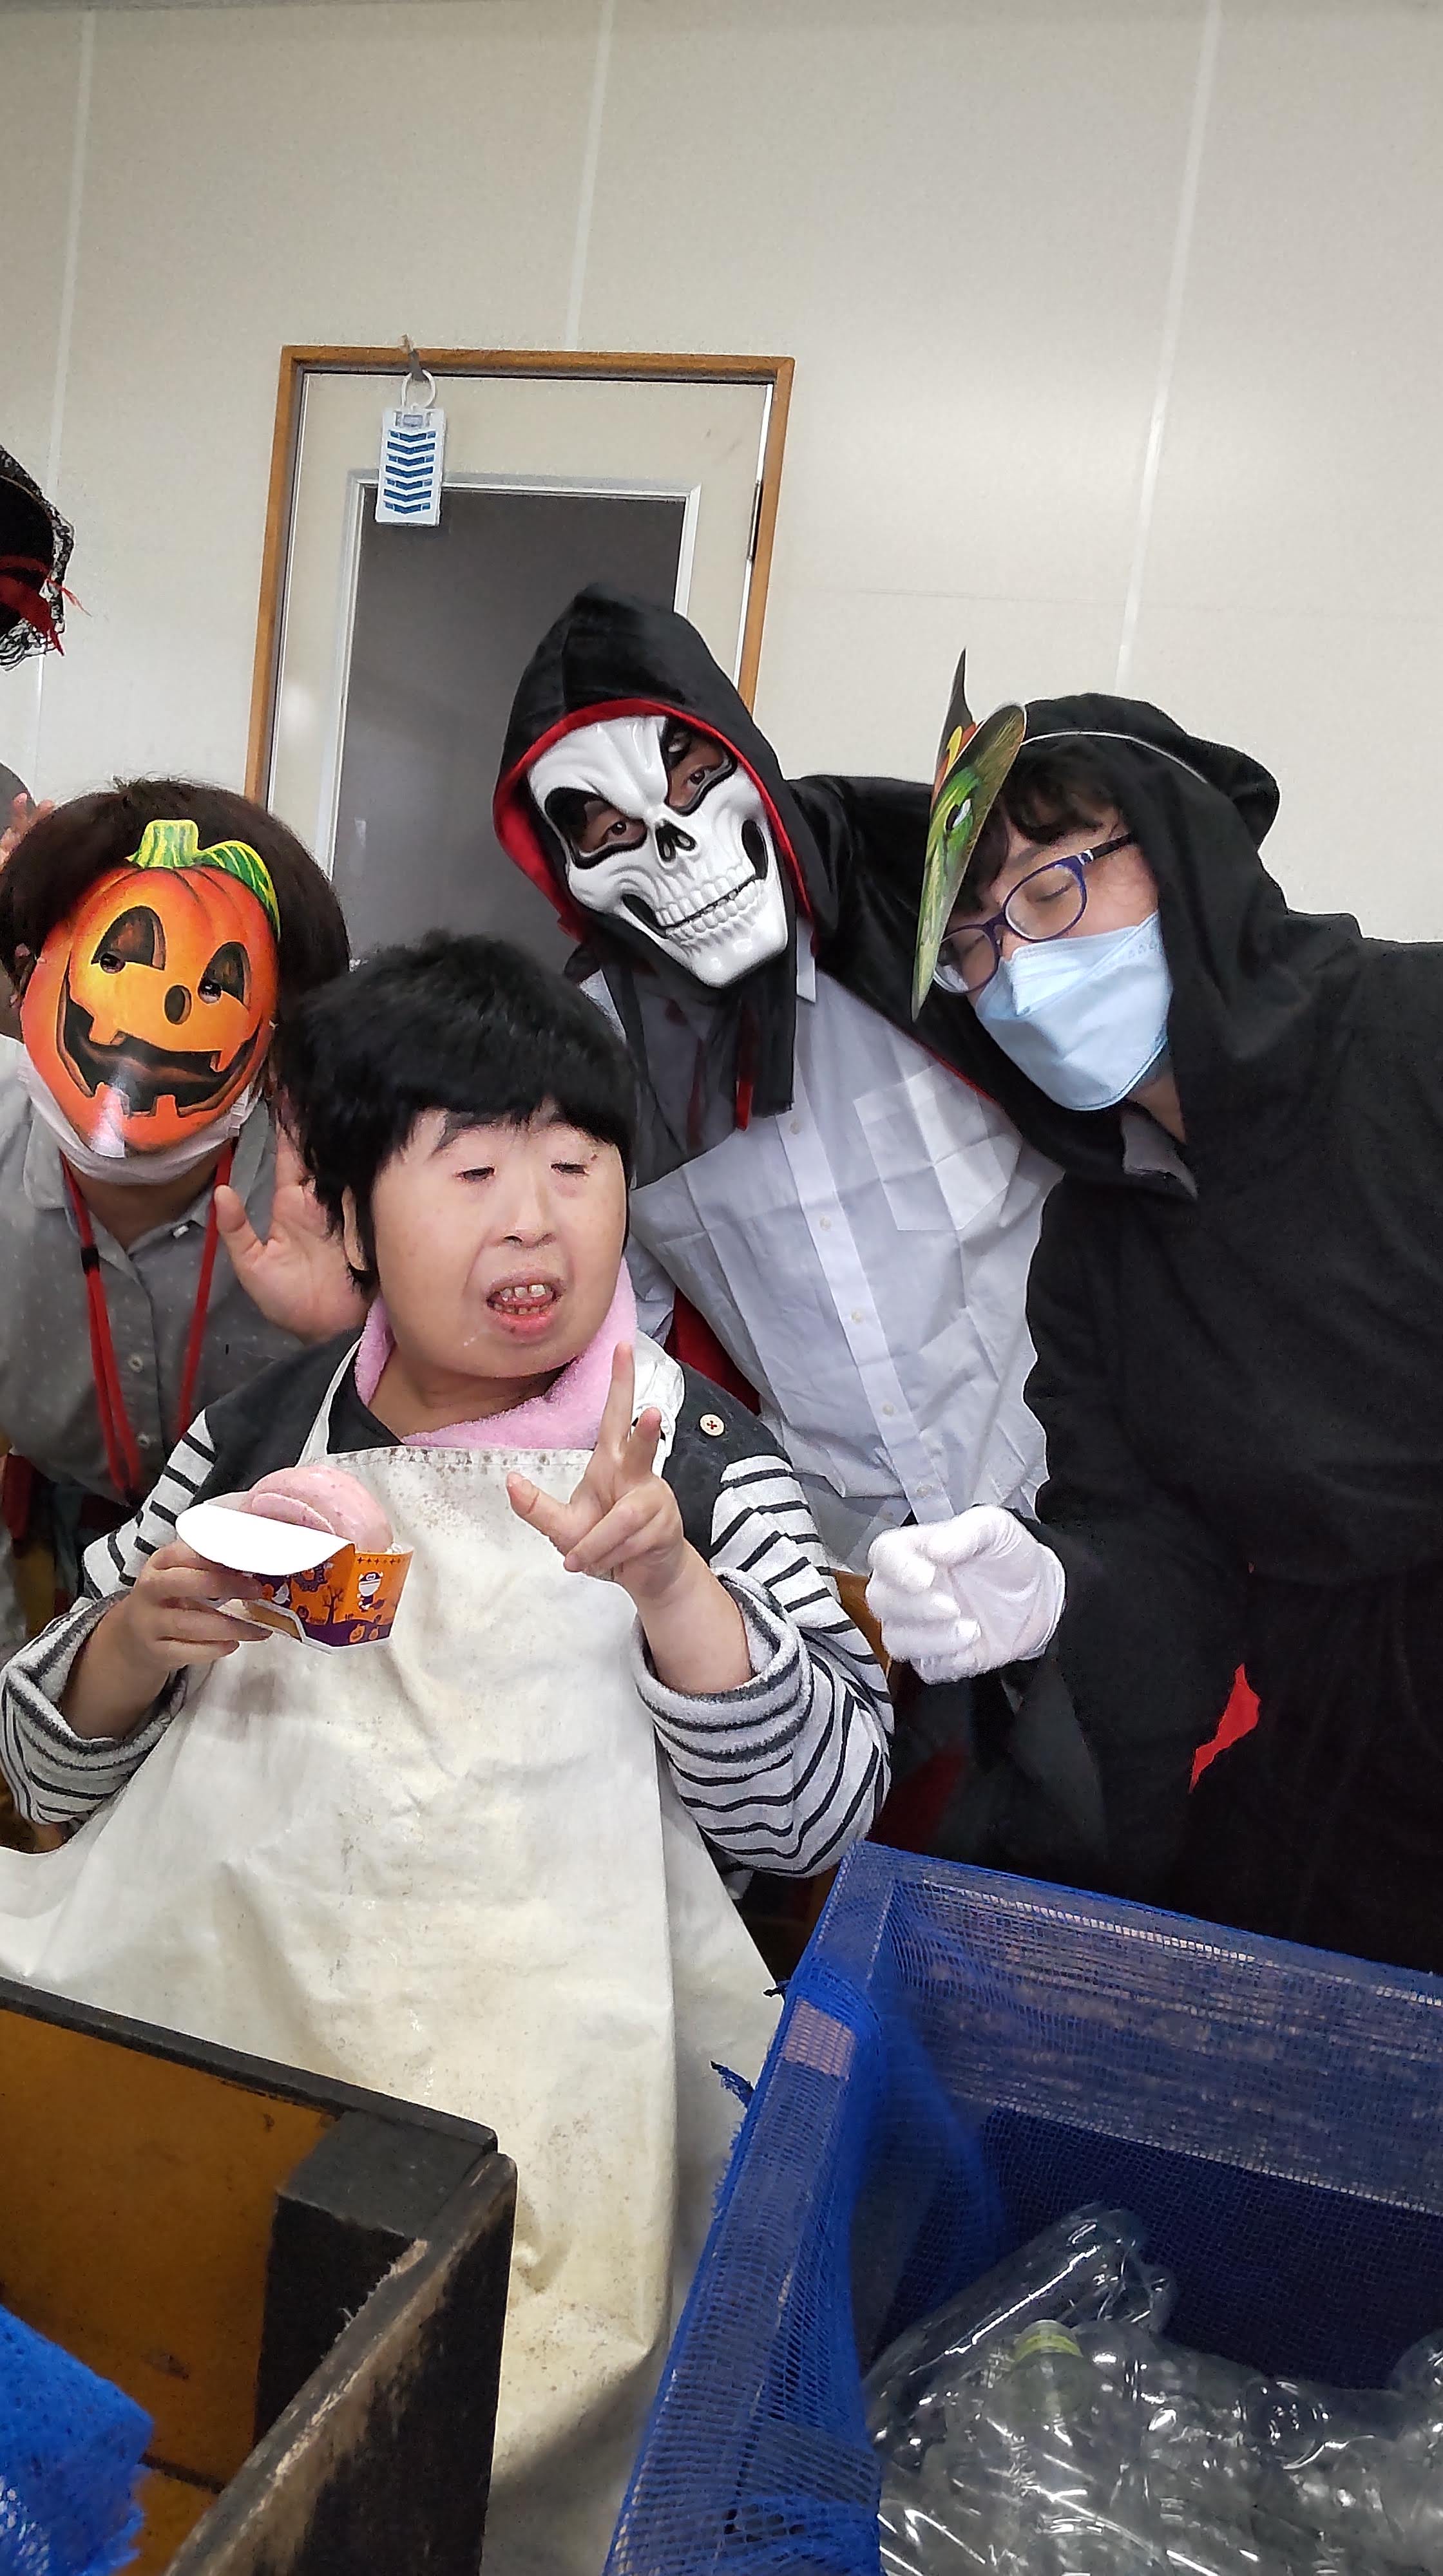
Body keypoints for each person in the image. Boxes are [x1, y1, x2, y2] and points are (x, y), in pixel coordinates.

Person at [0, 931, 890, 2570]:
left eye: (576, 1164)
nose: (534, 1219)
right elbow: (44, 1773)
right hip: (223, 2057)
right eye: (471, 1169)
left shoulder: (696, 1461)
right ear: (347, 1217)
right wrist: (135, 1635)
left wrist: (674, 1589)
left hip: (565, 2123)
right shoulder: (258, 1437)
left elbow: (818, 1811)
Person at [865, 685, 1443, 1976]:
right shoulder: (1095, 1248)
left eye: (1049, 890)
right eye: (974, 947)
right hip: (1345, 1784)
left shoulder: (1415, 1037)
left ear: (1178, 850)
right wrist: (1059, 1590)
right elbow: (1165, 1563)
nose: (1016, 972)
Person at [493, 586, 1056, 1578]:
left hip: (1075, 1501)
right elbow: (623, 1339)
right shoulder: (588, 1054)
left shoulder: (928, 921)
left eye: (693, 780)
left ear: (745, 755)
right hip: (842, 1559)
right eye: (610, 830)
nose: (672, 847)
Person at [0, 781, 358, 1636]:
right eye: (119, 955)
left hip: (292, 1568)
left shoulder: (345, 1189)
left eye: (222, 980)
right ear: (24, 979)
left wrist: (369, 1341)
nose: (163, 1007)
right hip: (59, 1549)